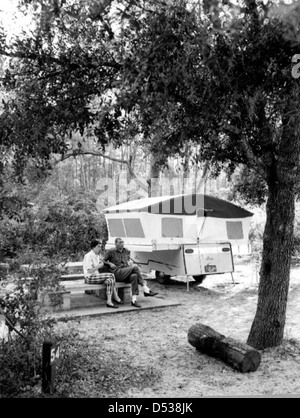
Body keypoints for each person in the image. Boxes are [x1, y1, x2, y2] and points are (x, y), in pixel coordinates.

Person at [103, 238, 158, 308]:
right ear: (116, 244)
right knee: (135, 268)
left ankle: (134, 300)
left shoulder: (126, 251)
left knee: (134, 276)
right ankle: (145, 289)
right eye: (120, 242)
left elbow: (128, 260)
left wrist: (129, 263)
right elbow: (103, 260)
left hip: (125, 271)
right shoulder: (111, 251)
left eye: (122, 242)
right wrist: (110, 263)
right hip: (117, 273)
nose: (122, 244)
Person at [83, 239, 124, 309]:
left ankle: (109, 301)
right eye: (98, 246)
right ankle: (116, 297)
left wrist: (106, 263)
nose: (100, 248)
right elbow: (89, 271)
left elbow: (102, 263)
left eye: (100, 246)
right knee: (111, 275)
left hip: (96, 276)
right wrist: (99, 266)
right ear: (93, 247)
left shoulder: (97, 256)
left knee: (110, 281)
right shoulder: (88, 256)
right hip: (89, 277)